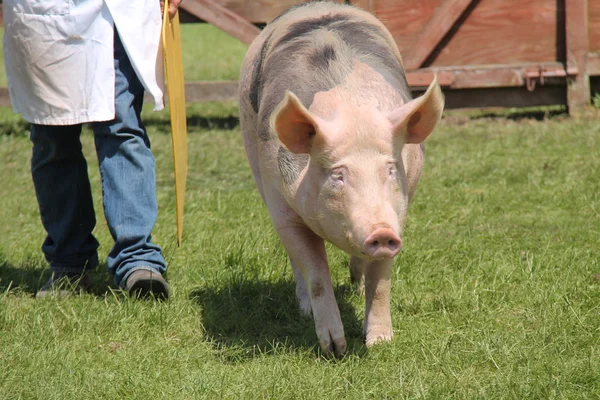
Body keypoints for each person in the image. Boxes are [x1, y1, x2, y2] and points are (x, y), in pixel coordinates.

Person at [3, 0, 182, 299]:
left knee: (122, 127)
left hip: (118, 10)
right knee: (53, 136)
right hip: (43, 14)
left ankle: (138, 260)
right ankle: (69, 265)